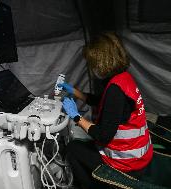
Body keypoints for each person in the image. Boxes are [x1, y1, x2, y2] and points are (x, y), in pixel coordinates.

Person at [59, 32, 153, 188]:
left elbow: (102, 136)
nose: (91, 67)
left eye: (92, 62)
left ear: (102, 61)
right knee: (84, 146)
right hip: (141, 156)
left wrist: (77, 117)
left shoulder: (115, 91)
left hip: (128, 163)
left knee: (73, 149)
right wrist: (73, 91)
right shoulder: (123, 78)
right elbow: (103, 102)